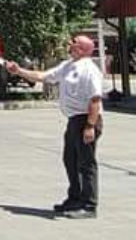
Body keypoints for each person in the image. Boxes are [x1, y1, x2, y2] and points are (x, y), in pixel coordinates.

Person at [6, 34, 103, 219]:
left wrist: (90, 126)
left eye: (74, 43)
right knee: (70, 160)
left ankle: (89, 206)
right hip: (74, 120)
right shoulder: (67, 65)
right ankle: (75, 199)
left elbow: (95, 99)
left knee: (86, 164)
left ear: (82, 49)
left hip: (86, 120)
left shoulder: (90, 69)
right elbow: (44, 76)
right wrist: (19, 71)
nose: (70, 44)